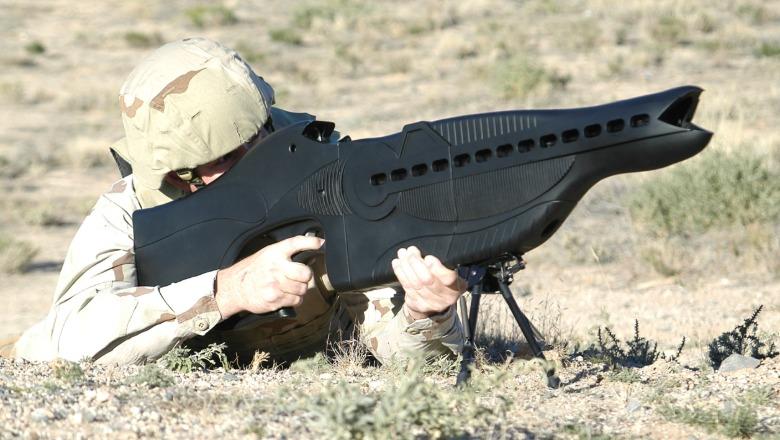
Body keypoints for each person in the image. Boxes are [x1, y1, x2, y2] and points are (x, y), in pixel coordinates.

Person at [5, 38, 466, 365]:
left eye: (226, 157)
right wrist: (225, 291)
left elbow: (412, 361)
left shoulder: (333, 180)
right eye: (186, 172)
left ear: (264, 130)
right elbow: (66, 340)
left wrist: (427, 313)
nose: (208, 180)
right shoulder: (132, 210)